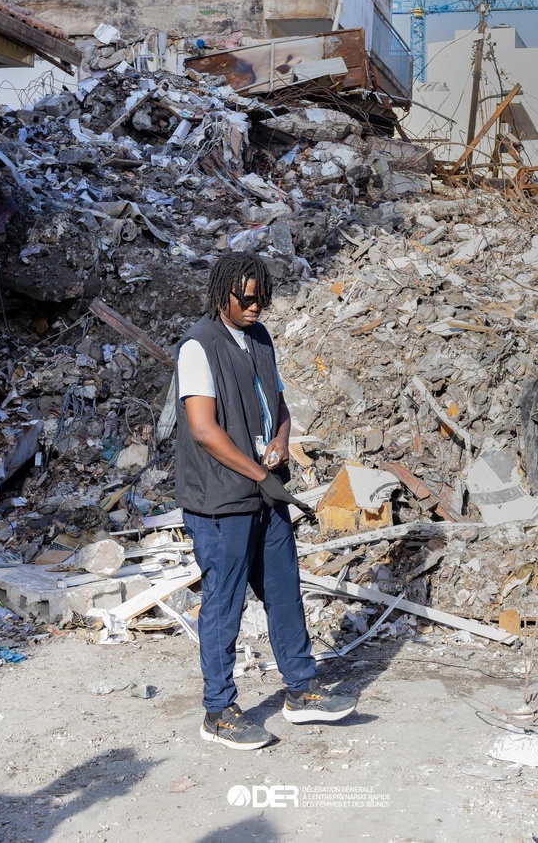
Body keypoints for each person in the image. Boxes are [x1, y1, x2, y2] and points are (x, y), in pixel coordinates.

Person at [175, 252, 357, 749]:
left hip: (263, 493)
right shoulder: (199, 346)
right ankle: (218, 710)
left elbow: (278, 404)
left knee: (283, 590)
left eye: (262, 299)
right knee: (223, 602)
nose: (256, 307)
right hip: (220, 501)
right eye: (247, 299)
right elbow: (203, 428)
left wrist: (280, 440)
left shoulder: (260, 339)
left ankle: (300, 690)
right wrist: (259, 471)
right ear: (222, 296)